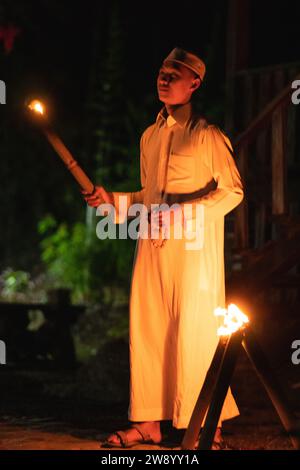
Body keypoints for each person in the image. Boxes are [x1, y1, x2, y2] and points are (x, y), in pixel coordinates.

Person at [84, 47, 244, 448]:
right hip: (152, 249)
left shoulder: (207, 134)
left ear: (194, 83)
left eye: (175, 74)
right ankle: (149, 422)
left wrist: (184, 214)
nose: (165, 78)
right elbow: (148, 197)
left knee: (195, 330)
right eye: (161, 71)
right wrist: (113, 201)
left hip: (193, 255)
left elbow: (233, 192)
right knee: (150, 328)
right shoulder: (150, 136)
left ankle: (208, 423)